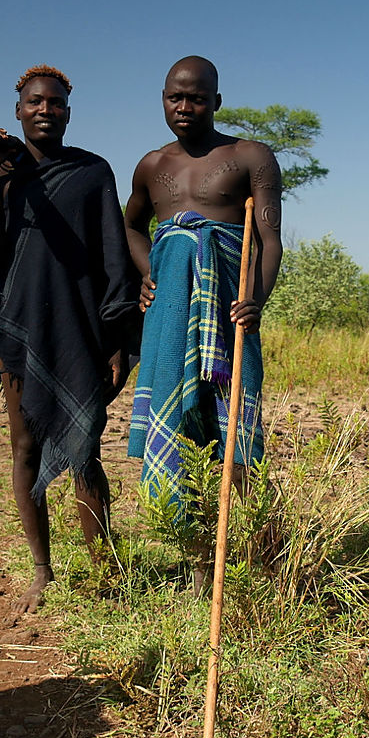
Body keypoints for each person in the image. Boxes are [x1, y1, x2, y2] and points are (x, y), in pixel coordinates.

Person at [0, 64, 139, 615]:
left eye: (57, 103)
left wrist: (118, 338)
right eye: (36, 102)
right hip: (19, 329)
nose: (46, 110)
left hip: (80, 327)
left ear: (69, 110)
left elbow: (114, 255)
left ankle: (105, 572)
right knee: (25, 446)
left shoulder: (92, 172)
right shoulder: (2, 172)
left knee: (84, 445)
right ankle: (42, 571)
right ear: (18, 110)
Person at [125, 55, 283, 592]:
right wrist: (150, 276)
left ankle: (242, 552)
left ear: (217, 101)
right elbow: (132, 228)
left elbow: (269, 240)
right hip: (169, 316)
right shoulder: (151, 166)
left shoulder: (249, 157)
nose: (184, 107)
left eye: (196, 98)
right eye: (175, 97)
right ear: (163, 99)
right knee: (182, 427)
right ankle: (195, 563)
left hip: (229, 315)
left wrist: (255, 300)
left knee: (233, 426)